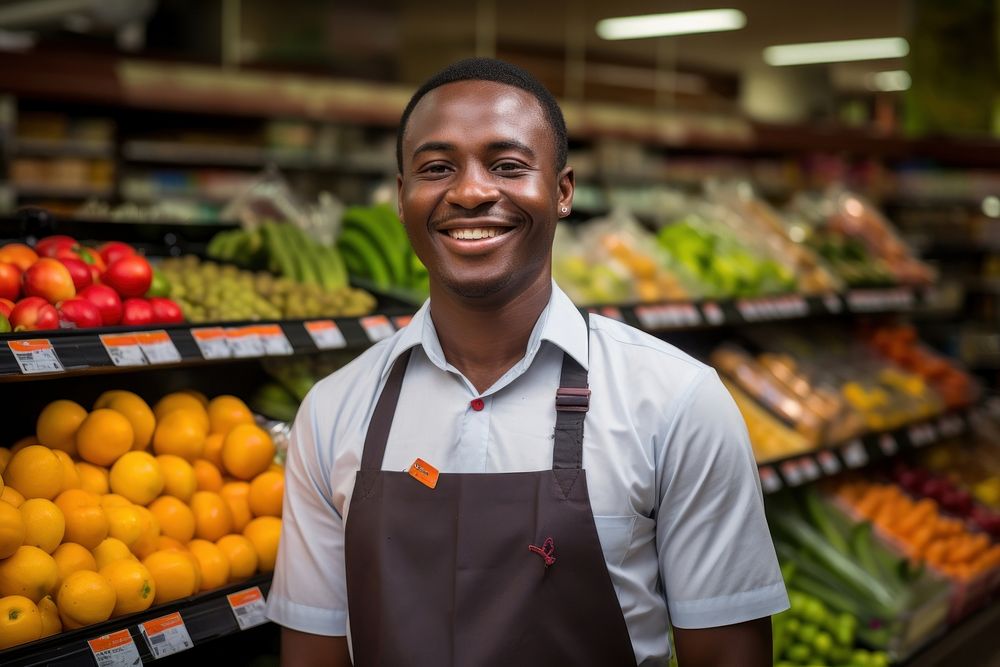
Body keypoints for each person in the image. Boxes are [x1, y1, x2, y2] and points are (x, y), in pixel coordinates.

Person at [266, 57, 789, 667]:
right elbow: (312, 655)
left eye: (508, 166)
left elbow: (728, 653)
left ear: (562, 191)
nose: (469, 191)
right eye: (437, 169)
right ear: (402, 196)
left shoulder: (677, 402)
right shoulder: (333, 413)